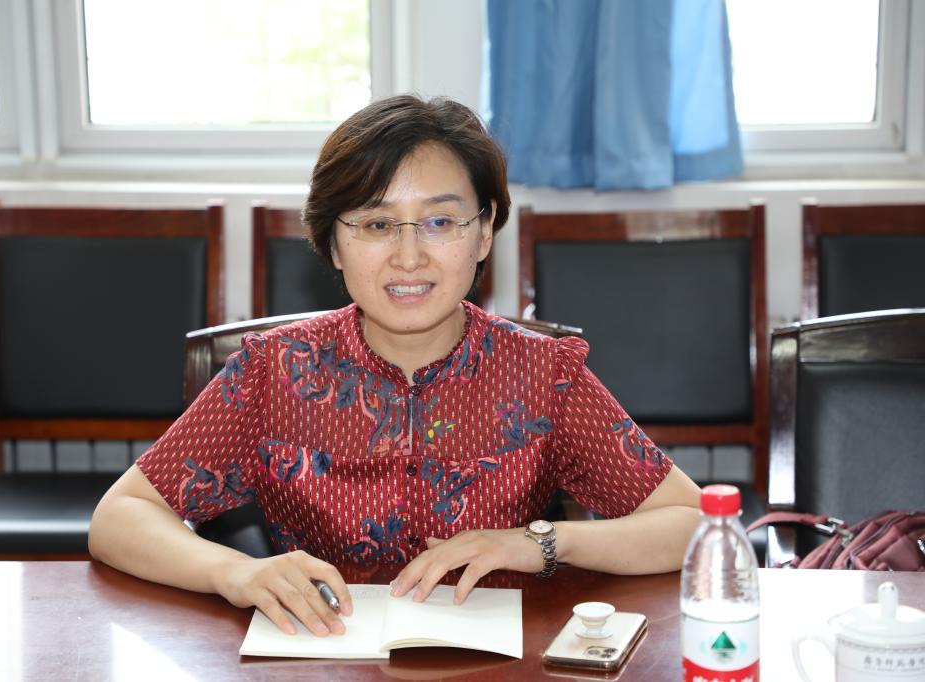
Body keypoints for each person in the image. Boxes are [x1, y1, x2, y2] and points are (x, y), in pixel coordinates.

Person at [88, 95, 701, 640]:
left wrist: (539, 543)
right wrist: (236, 572)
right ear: (332, 242)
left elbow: (692, 522)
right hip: (320, 652)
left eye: (440, 222)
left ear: (484, 233)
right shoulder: (273, 371)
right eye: (377, 224)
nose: (409, 257)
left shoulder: (543, 373)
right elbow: (120, 517)